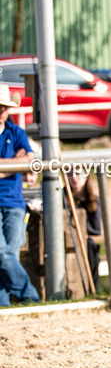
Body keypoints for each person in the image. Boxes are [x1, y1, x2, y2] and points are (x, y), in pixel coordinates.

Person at [0, 85, 39, 306]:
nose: (2, 111)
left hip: (14, 201)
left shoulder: (16, 132)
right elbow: (23, 164)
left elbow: (30, 163)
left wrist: (7, 168)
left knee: (9, 253)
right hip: (11, 198)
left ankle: (3, 302)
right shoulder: (15, 136)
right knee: (2, 252)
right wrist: (16, 164)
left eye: (4, 107)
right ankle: (29, 295)